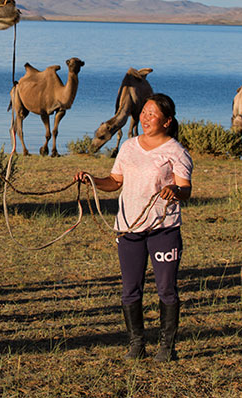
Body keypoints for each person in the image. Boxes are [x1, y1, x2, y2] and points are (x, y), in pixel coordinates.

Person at [74, 93, 193, 362]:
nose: (145, 118)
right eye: (144, 113)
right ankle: (136, 345)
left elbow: (186, 189)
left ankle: (167, 348)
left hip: (164, 229)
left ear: (167, 121)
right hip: (129, 229)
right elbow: (115, 181)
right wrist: (92, 180)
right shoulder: (128, 147)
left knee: (166, 289)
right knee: (130, 289)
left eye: (152, 114)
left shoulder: (177, 152)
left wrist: (174, 189)